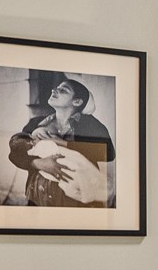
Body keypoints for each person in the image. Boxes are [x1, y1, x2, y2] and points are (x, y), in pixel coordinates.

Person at [7, 76, 115, 207]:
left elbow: (108, 153)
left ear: (77, 102)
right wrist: (38, 163)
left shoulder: (90, 124)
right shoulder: (36, 123)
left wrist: (62, 142)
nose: (54, 90)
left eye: (63, 90)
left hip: (76, 201)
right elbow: (15, 153)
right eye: (56, 88)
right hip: (38, 199)